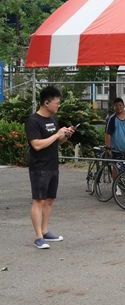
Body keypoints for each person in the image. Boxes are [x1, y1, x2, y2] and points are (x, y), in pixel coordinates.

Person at [25, 86, 74, 249]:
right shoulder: (33, 121)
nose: (58, 105)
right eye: (57, 102)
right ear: (46, 102)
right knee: (38, 200)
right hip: (39, 167)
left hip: (53, 165)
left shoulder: (53, 120)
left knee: (49, 200)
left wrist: (65, 135)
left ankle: (45, 231)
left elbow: (58, 141)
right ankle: (38, 237)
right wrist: (56, 135)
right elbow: (37, 145)